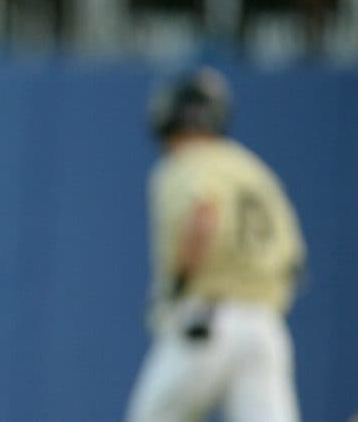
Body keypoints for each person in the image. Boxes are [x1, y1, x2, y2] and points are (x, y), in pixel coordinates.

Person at [126, 67, 306, 422]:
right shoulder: (252, 169)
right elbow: (295, 262)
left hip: (206, 321)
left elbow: (203, 215)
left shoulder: (185, 163)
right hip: (266, 328)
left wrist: (179, 282)